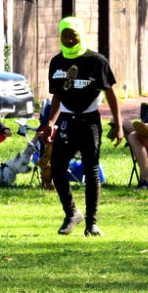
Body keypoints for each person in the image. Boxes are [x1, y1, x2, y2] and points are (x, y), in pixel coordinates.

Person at [40, 16, 120, 236]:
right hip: (66, 121)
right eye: (64, 35)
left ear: (80, 35)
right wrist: (50, 123)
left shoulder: (97, 61)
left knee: (91, 169)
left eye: (72, 35)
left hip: (89, 122)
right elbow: (56, 96)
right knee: (56, 168)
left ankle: (92, 223)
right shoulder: (57, 62)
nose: (68, 39)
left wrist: (118, 125)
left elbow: (111, 93)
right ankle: (72, 213)